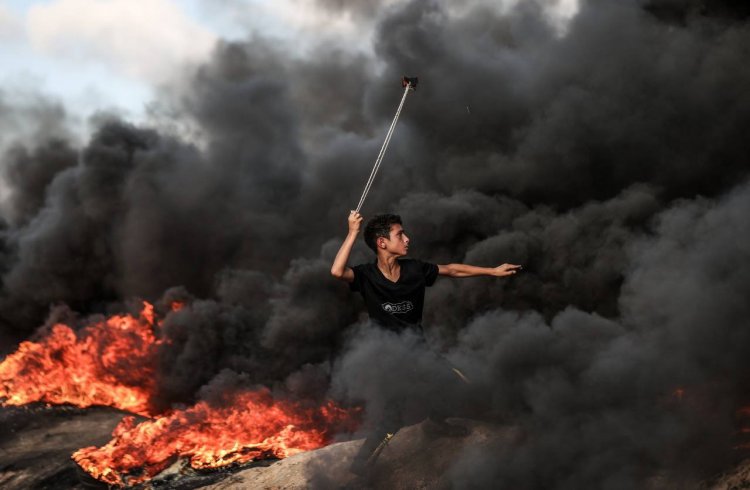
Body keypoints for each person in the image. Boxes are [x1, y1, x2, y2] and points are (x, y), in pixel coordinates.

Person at [331, 211, 521, 474]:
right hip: (390, 357)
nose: (407, 239)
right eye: (400, 234)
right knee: (392, 418)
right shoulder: (366, 275)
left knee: (456, 385)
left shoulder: (415, 269)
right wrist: (352, 231)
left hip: (418, 349)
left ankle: (436, 422)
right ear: (382, 243)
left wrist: (492, 271)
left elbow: (452, 269)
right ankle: (360, 466)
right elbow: (337, 271)